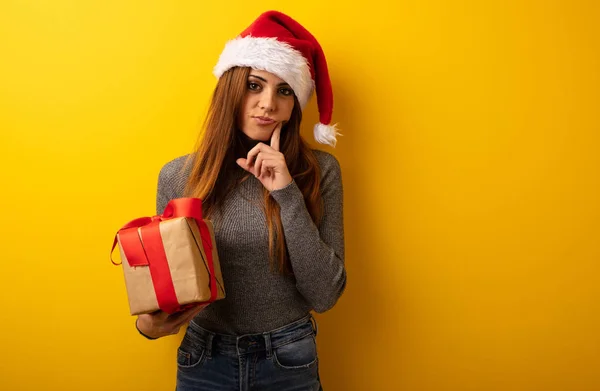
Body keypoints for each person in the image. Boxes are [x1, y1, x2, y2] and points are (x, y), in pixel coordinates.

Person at [136, 10, 346, 390]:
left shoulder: (319, 171)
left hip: (288, 358)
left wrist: (286, 194)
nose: (268, 103)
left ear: (295, 104)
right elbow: (167, 290)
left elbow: (325, 294)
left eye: (284, 90)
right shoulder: (179, 176)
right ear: (231, 87)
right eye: (255, 85)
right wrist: (148, 324)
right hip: (204, 361)